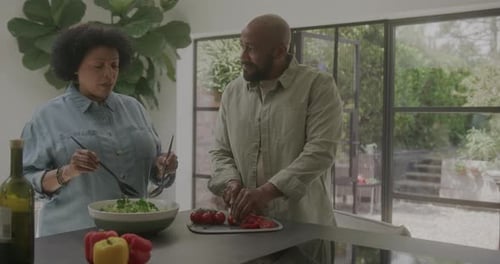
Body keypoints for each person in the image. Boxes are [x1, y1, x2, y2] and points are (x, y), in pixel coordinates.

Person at [21, 23, 178, 237]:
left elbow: (153, 172)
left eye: (114, 66)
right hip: (71, 239)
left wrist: (162, 166)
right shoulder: (47, 117)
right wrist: (68, 171)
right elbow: (24, 183)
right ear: (75, 67)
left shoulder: (135, 108)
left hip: (136, 236)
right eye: (98, 66)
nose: (109, 74)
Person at [208, 14, 342, 229]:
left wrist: (265, 193)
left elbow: (320, 151)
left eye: (250, 49)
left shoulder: (318, 86)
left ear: (279, 51)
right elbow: (220, 151)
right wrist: (231, 182)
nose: (242, 56)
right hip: (245, 229)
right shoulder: (232, 91)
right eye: (242, 46)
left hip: (304, 229)